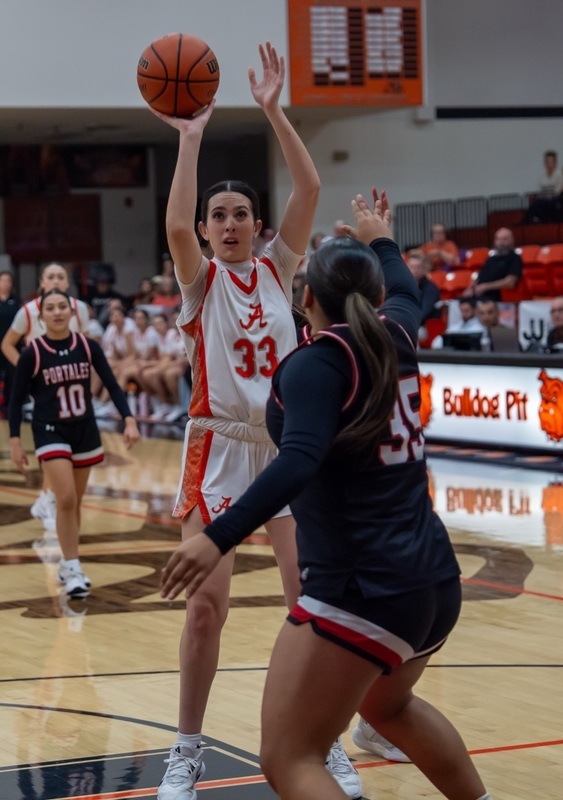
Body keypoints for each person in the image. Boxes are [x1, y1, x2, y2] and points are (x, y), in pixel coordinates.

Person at [159, 189, 492, 800]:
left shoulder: (312, 367)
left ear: (304, 297)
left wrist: (216, 538)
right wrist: (382, 239)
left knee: (289, 758)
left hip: (364, 584)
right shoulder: (396, 335)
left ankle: (326, 741)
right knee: (391, 709)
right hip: (435, 577)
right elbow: (407, 290)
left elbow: (299, 462)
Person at [151, 41, 360, 800]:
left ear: (258, 225)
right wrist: (190, 135)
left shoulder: (279, 268)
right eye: (219, 216)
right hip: (215, 452)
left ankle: (323, 737)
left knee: (311, 597)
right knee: (206, 609)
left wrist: (274, 110)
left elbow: (308, 182)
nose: (229, 223)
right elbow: (172, 222)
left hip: (284, 449)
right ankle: (186, 749)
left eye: (241, 214)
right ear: (206, 231)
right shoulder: (199, 283)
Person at [8, 288, 140, 598]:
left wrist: (129, 419)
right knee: (65, 498)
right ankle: (73, 565)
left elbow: (110, 382)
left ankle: (68, 561)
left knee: (74, 502)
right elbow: (15, 401)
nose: (56, 312)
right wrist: (15, 440)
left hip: (84, 430)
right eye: (50, 308)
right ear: (41, 317)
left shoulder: (87, 345)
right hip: (49, 430)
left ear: (71, 312)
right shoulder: (33, 352)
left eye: (61, 307)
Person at [1, 262, 90, 529]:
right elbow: (6, 344)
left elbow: (83, 344)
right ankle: (49, 498)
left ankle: (45, 496)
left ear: (66, 283)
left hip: (72, 383)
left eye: (60, 277)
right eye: (50, 276)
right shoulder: (27, 311)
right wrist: (28, 371)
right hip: (44, 386)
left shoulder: (80, 309)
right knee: (53, 441)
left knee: (70, 446)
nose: (54, 281)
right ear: (42, 281)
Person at [463, 228, 523, 302]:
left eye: (505, 239)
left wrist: (485, 287)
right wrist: (470, 289)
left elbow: (510, 282)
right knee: (456, 303)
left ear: (512, 241)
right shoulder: (490, 259)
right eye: (498, 239)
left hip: (497, 297)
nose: (501, 243)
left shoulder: (515, 258)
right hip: (480, 295)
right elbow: (479, 277)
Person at [0, 270, 21, 414]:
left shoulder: (16, 300)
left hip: (12, 344)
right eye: (2, 280)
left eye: (8, 281)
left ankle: (11, 403)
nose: (5, 283)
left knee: (12, 374)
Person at [406, 249, 442, 324]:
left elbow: (424, 313)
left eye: (418, 267)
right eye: (412, 267)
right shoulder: (404, 286)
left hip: (425, 326)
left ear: (425, 268)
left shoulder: (431, 288)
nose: (415, 270)